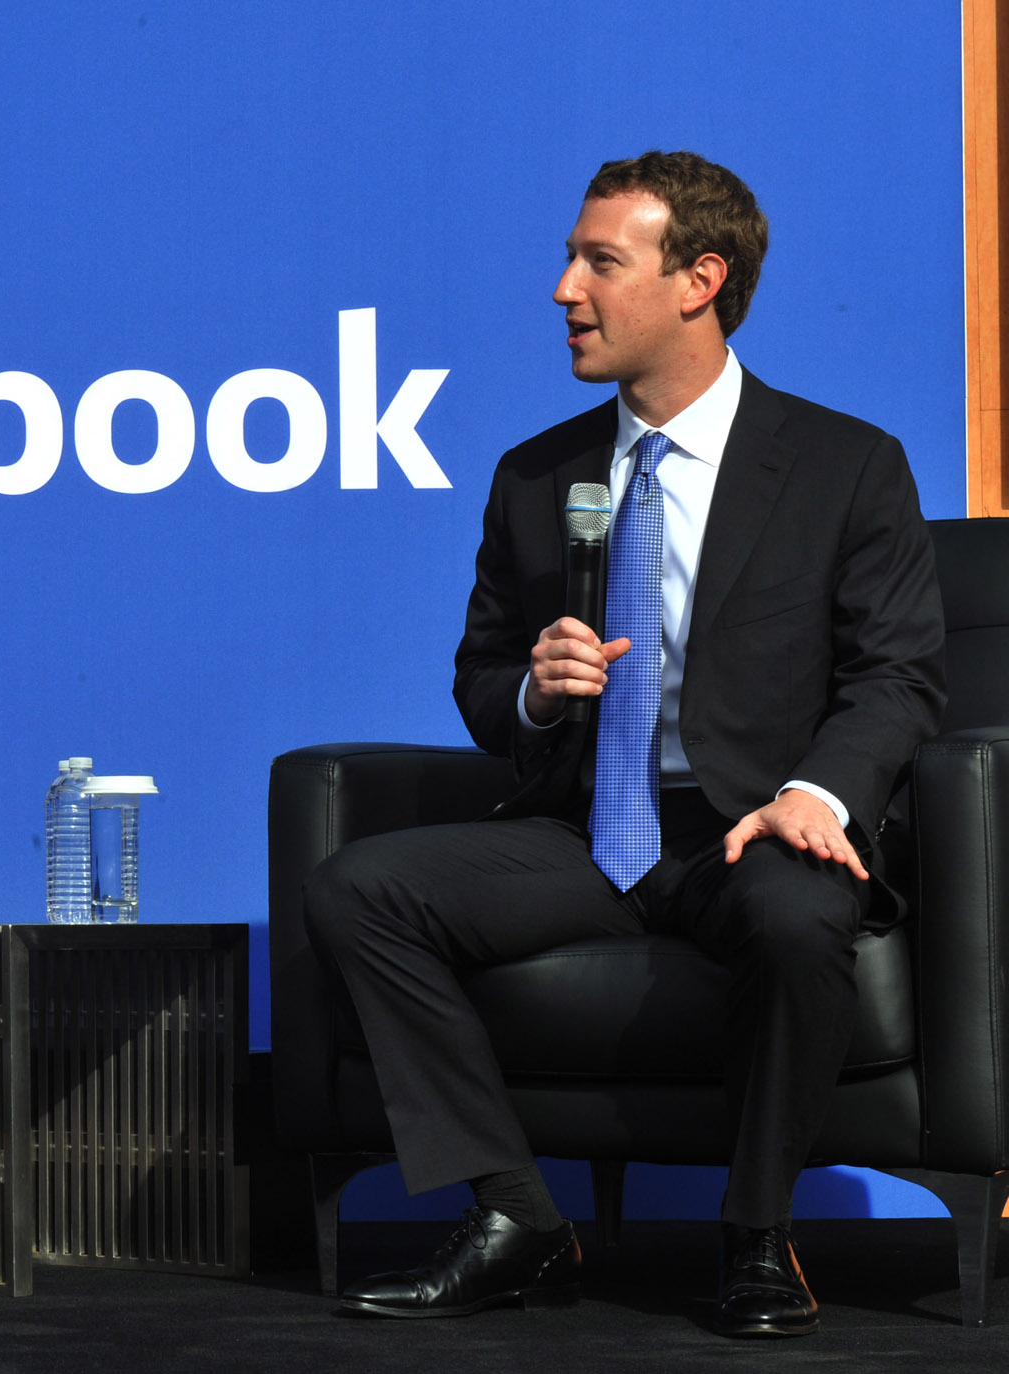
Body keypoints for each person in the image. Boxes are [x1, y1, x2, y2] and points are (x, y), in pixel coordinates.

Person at [301, 152, 945, 1339]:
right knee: (360, 890)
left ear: (699, 279)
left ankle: (755, 1237)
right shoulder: (535, 474)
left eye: (600, 261)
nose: (563, 289)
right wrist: (537, 697)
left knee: (801, 915)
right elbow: (480, 679)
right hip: (582, 826)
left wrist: (818, 794)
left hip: (748, 826)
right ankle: (515, 1219)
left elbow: (897, 675)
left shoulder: (846, 465)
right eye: (570, 257)